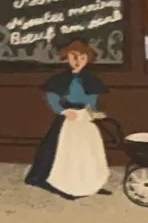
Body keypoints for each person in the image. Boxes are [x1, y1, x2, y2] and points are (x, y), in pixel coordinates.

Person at [25, 37, 110, 199]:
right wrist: (63, 111)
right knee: (64, 150)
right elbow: (52, 97)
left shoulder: (90, 80)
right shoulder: (60, 80)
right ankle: (62, 183)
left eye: (82, 58)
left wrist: (93, 111)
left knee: (89, 150)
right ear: (67, 57)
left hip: (84, 118)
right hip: (67, 118)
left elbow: (93, 99)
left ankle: (90, 183)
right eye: (73, 57)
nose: (78, 61)